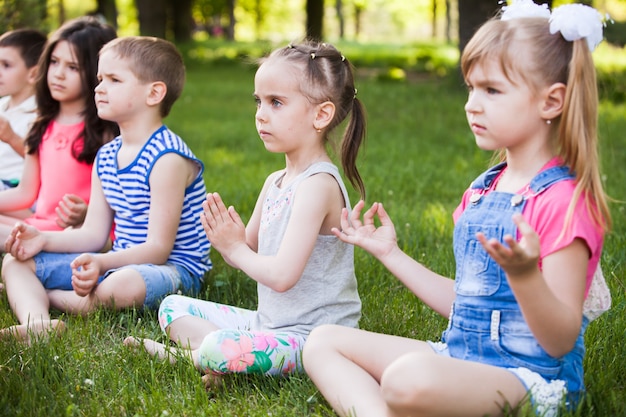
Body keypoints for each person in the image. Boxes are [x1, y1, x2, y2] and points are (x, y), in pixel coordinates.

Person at [302, 2, 611, 417]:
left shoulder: (565, 202)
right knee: (323, 340)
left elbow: (559, 338)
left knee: (405, 379)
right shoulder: (483, 191)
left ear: (551, 102)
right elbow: (466, 304)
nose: (472, 104)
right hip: (461, 357)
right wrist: (389, 253)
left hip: (532, 380)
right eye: (471, 88)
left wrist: (525, 278)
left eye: (492, 90)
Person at [124, 40, 365, 386]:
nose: (261, 114)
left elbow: (282, 275)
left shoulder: (318, 186)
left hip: (313, 341)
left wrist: (235, 248)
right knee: (173, 307)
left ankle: (190, 357)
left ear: (321, 115)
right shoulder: (276, 181)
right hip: (267, 324)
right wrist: (227, 241)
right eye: (259, 101)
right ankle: (220, 361)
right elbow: (245, 254)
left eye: (276, 102)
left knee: (222, 345)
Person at [1, 36, 211, 341]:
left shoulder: (167, 159)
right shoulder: (107, 155)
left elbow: (158, 249)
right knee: (17, 261)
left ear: (154, 93)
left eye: (113, 79)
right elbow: (93, 234)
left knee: (121, 286)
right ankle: (38, 323)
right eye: (100, 78)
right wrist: (41, 239)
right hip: (120, 258)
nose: (98, 87)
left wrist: (102, 262)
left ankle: (49, 294)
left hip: (171, 270)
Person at [0, 17, 119, 245]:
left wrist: (87, 212)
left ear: (97, 72)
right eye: (54, 62)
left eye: (72, 67)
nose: (59, 74)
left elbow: (119, 207)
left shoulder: (104, 132)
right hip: (38, 226)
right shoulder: (42, 124)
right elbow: (25, 193)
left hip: (80, 235)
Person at [0, 28, 46, 198]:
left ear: (33, 74)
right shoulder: (2, 104)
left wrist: (12, 138)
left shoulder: (40, 113)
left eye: (6, 65)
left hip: (17, 187)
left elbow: (45, 161)